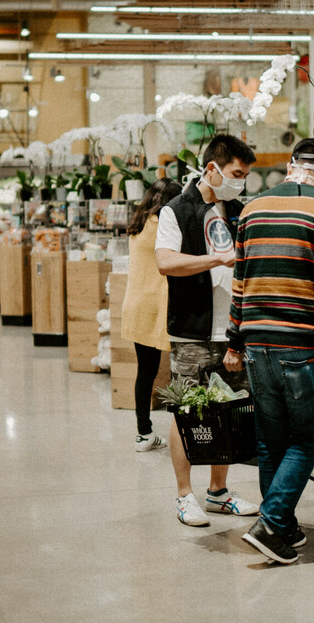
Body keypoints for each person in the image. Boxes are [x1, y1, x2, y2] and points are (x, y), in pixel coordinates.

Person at [224, 138, 314, 564]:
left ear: (292, 165)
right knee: (306, 440)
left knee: (270, 440)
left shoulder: (252, 209)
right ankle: (271, 521)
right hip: (303, 344)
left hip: (257, 343)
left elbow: (239, 282)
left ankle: (284, 527)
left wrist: (234, 340)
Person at [154, 134, 260, 526]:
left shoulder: (239, 210)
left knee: (228, 411)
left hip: (232, 329)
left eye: (245, 175)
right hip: (193, 329)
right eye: (236, 173)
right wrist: (215, 259)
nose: (241, 181)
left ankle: (218, 492)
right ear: (212, 169)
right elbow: (166, 262)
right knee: (189, 412)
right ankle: (184, 495)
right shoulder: (176, 210)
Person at [121, 178, 182, 451]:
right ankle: (183, 432)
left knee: (145, 371)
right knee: (179, 369)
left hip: (136, 304)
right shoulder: (164, 226)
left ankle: (143, 433)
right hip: (158, 306)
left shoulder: (139, 224)